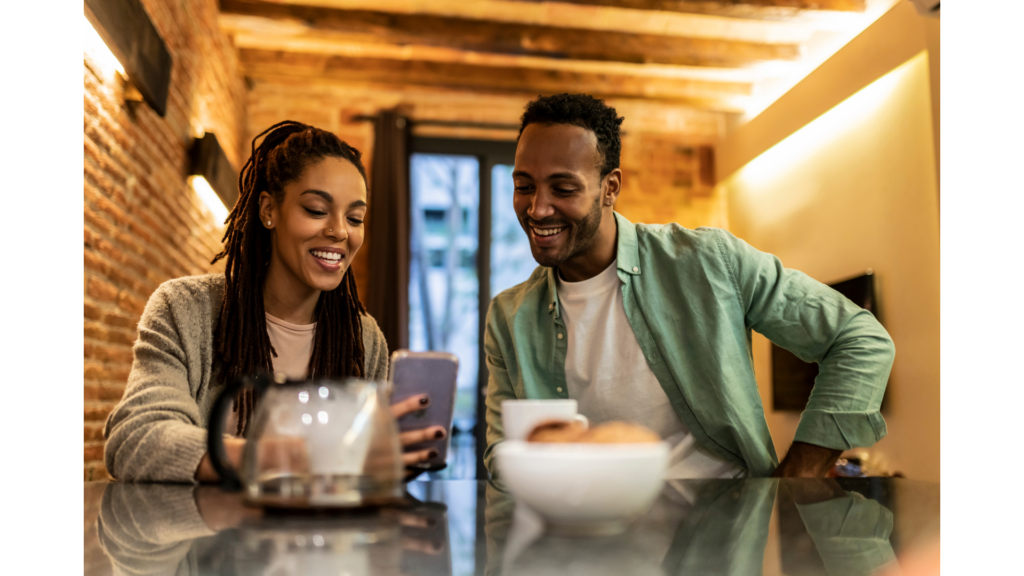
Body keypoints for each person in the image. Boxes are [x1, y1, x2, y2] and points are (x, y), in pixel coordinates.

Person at [483, 94, 895, 479]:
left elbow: (859, 339)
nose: (537, 208)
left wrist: (798, 481)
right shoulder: (508, 317)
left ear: (610, 187)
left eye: (564, 188)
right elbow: (503, 460)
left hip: (725, 544)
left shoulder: (709, 261)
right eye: (524, 186)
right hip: (580, 544)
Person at [104, 121, 446, 483]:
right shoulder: (186, 309)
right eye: (316, 210)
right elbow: (137, 438)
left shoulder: (364, 338)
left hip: (322, 537)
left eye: (355, 218)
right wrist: (301, 456)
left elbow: (363, 472)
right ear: (269, 210)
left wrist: (395, 456)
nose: (340, 231)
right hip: (202, 537)